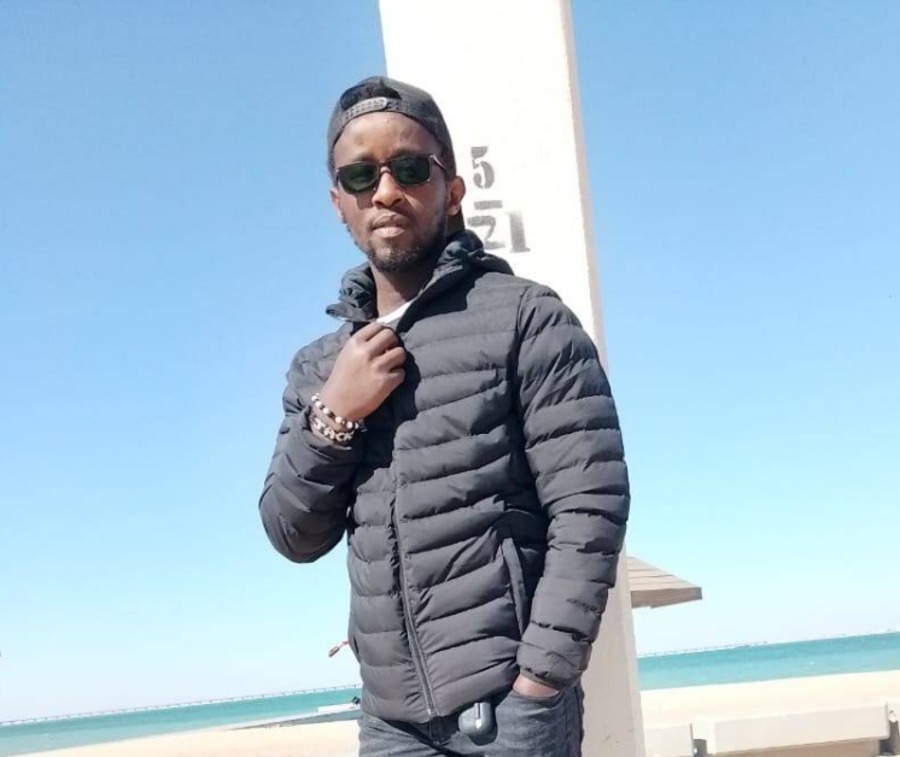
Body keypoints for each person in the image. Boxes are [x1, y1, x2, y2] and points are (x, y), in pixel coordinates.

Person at [259, 75, 630, 757]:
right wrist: (333, 415)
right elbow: (292, 533)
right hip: (390, 725)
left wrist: (541, 680)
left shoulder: (525, 318)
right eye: (360, 175)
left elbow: (590, 505)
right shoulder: (322, 367)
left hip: (507, 715)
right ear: (338, 202)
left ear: (452, 189)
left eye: (409, 168)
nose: (385, 191)